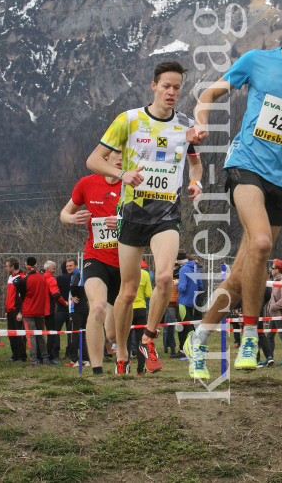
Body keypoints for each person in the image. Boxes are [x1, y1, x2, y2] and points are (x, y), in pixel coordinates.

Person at [185, 0, 282, 378]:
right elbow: (209, 93)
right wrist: (202, 119)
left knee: (242, 274)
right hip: (246, 165)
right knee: (260, 243)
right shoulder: (257, 61)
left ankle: (199, 339)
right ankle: (252, 336)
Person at [86, 60, 203, 375]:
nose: (171, 92)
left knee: (165, 277)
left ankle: (148, 338)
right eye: (166, 85)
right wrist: (122, 174)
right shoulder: (129, 120)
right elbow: (94, 160)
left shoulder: (184, 124)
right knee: (127, 291)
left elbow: (195, 164)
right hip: (132, 214)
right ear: (154, 86)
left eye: (177, 87)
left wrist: (196, 182)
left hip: (166, 212)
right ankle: (122, 350)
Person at [60, 149, 123, 376]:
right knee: (96, 307)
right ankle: (97, 371)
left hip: (124, 262)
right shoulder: (87, 183)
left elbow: (147, 223)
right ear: (105, 157)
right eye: (118, 152)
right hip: (95, 257)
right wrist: (72, 218)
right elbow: (64, 214)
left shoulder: (134, 185)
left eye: (127, 153)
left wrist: (125, 224)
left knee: (114, 333)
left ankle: (121, 356)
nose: (122, 157)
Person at [13, 257, 52, 369]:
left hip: (28, 311)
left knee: (31, 337)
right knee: (41, 336)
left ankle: (34, 362)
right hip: (40, 311)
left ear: (26, 266)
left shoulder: (24, 280)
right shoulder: (42, 278)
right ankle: (45, 359)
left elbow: (21, 297)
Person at [127, 264, 153, 375]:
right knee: (141, 340)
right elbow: (149, 293)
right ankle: (140, 369)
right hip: (141, 309)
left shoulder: (124, 271)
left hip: (127, 309)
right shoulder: (145, 273)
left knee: (125, 340)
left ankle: (124, 367)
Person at [41, 261, 68, 364]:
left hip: (40, 310)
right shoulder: (51, 279)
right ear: (48, 269)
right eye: (54, 268)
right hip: (49, 310)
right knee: (52, 333)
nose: (55, 270)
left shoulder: (40, 277)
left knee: (40, 333)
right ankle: (50, 355)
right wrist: (64, 303)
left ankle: (40, 356)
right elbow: (55, 294)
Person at [177, 252, 203, 356]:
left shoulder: (183, 269)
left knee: (186, 327)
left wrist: (177, 284)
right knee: (190, 325)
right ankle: (191, 348)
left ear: (179, 260)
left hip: (183, 301)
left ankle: (191, 350)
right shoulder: (195, 268)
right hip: (192, 301)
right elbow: (200, 286)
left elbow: (182, 288)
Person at [54, 258, 78, 360]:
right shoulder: (75, 277)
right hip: (72, 308)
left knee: (56, 331)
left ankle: (55, 352)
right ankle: (69, 352)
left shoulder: (58, 279)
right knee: (70, 332)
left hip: (61, 308)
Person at [5, 257, 27, 363]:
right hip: (10, 310)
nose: (6, 268)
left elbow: (24, 296)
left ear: (13, 267)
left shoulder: (22, 278)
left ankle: (22, 355)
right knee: (11, 334)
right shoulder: (10, 277)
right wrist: (6, 309)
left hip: (17, 310)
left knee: (19, 334)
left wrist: (21, 312)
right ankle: (14, 354)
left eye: (7, 266)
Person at [66, 270, 90, 367]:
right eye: (67, 266)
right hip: (85, 308)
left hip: (77, 310)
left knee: (74, 335)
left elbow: (73, 287)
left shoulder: (77, 275)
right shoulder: (89, 275)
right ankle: (85, 359)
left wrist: (74, 295)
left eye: (70, 265)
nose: (68, 268)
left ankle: (74, 360)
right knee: (82, 335)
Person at [163, 266, 180, 358]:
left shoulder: (168, 280)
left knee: (170, 327)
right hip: (176, 304)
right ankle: (174, 348)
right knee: (174, 326)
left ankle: (171, 348)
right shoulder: (179, 280)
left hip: (170, 304)